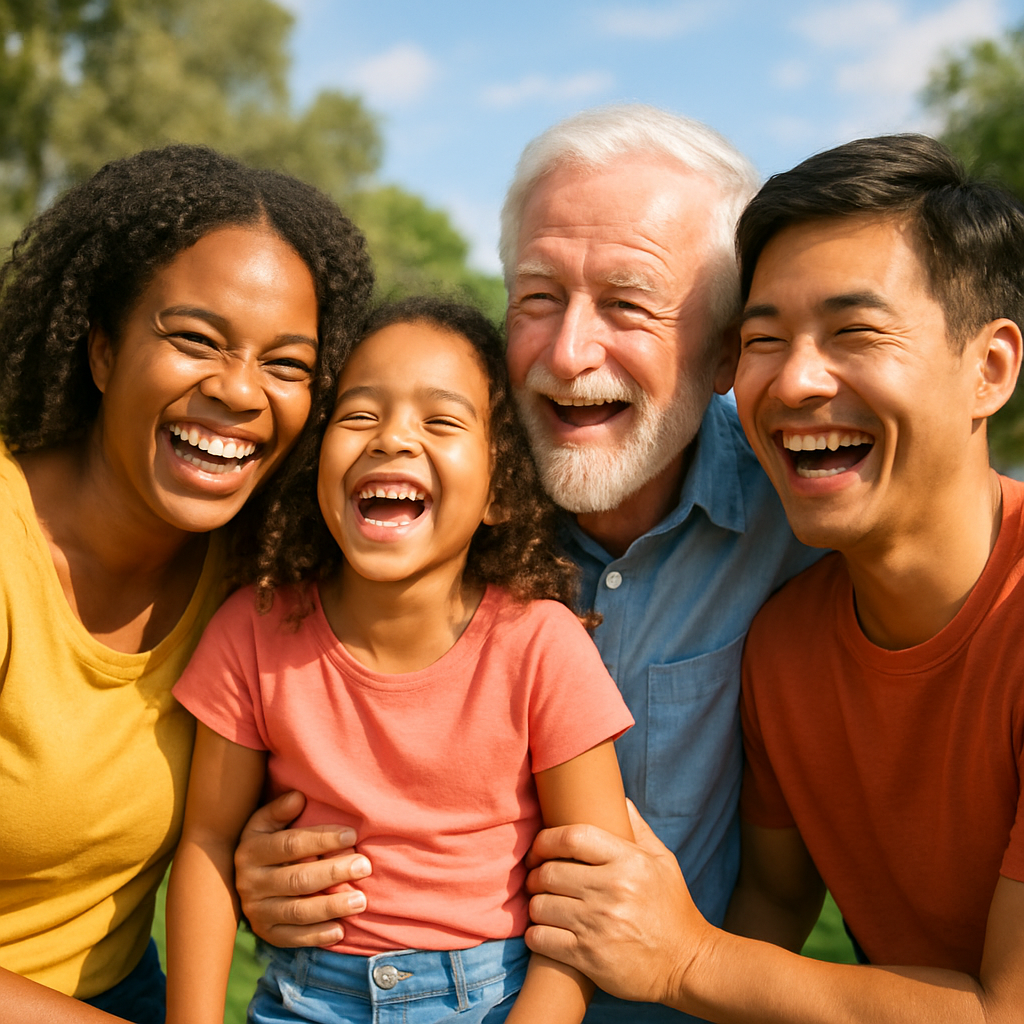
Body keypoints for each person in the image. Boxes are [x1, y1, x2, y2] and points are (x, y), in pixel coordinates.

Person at [233, 106, 819, 1024]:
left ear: (724, 354)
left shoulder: (801, 516)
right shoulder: (424, 519)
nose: (568, 352)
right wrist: (258, 861)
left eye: (628, 304)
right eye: (538, 298)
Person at [522, 135, 1024, 1021]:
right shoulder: (789, 641)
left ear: (989, 369)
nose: (794, 381)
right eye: (765, 338)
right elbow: (775, 904)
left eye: (855, 331)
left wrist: (685, 960)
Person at [167, 297, 636, 1024]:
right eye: (358, 415)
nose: (392, 438)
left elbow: (589, 899)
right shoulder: (251, 633)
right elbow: (207, 841)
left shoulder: (542, 646)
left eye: (441, 421)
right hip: (303, 1002)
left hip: (495, 1002)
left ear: (501, 489)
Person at [0, 144, 374, 1024]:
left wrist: (262, 873)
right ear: (100, 351)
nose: (241, 391)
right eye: (196, 340)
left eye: (287, 364)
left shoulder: (257, 573)